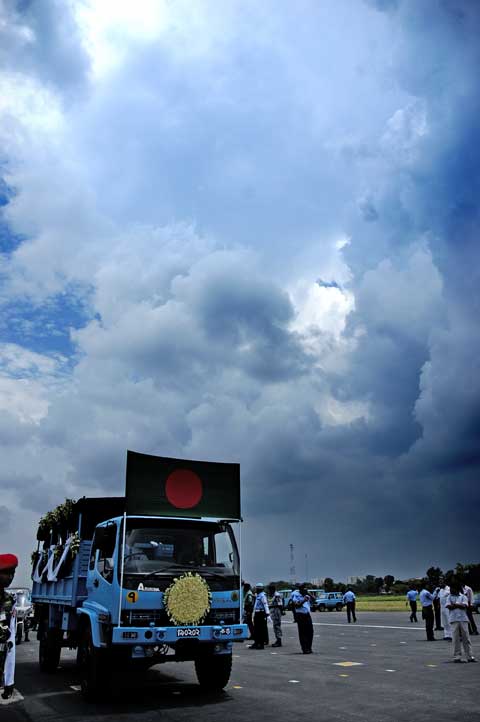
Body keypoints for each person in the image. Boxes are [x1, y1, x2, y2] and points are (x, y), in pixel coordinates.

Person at [0, 554, 18, 700]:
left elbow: (10, 640)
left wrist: (9, 681)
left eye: (12, 573)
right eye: (6, 573)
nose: (10, 577)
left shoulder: (9, 600)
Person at [446, 581, 476, 663]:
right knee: (455, 639)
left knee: (466, 638)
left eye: (452, 588)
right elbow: (448, 606)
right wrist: (459, 605)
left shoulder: (463, 596)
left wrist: (454, 605)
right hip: (453, 619)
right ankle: (457, 657)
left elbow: (464, 606)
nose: (450, 590)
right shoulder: (449, 597)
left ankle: (470, 656)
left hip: (463, 619)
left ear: (456, 589)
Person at [291, 583, 314, 654]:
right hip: (300, 615)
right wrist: (304, 600)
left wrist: (309, 594)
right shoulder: (295, 595)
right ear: (300, 590)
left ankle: (309, 647)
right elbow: (296, 605)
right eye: (304, 589)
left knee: (310, 631)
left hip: (307, 614)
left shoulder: (306, 595)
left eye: (305, 589)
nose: (305, 590)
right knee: (302, 632)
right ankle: (304, 648)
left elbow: (314, 599)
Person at [249, 583, 270, 650]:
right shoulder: (258, 595)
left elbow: (265, 605)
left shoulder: (262, 596)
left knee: (261, 629)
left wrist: (267, 614)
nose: (256, 590)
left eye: (257, 589)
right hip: (257, 613)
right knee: (256, 629)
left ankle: (261, 644)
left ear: (259, 589)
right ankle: (256, 642)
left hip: (261, 613)